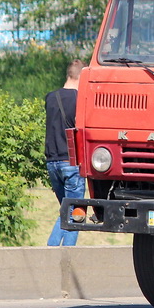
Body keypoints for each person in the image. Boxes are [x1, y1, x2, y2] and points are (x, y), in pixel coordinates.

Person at [45, 59, 86, 246]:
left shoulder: (50, 98)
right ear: (82, 76)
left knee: (66, 210)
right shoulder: (80, 100)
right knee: (74, 213)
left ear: (68, 74)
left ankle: (55, 252)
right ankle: (57, 251)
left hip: (52, 163)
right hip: (71, 163)